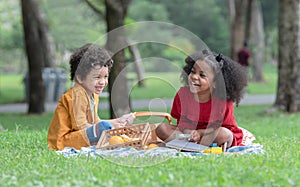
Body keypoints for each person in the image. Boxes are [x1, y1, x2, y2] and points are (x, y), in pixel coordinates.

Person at [155, 50, 252, 149]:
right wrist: (189, 132)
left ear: (215, 83)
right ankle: (192, 146)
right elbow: (181, 123)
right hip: (188, 135)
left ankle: (191, 146)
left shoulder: (224, 101)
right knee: (162, 128)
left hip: (213, 135)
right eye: (193, 72)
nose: (194, 77)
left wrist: (201, 133)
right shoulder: (182, 95)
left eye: (202, 75)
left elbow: (226, 128)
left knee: (224, 134)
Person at [48, 43, 135, 150]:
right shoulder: (77, 95)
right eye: (97, 77)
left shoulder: (93, 94)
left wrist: (118, 121)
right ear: (80, 78)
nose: (103, 82)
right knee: (104, 129)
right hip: (63, 142)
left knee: (106, 128)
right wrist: (111, 129)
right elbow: (80, 126)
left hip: (77, 137)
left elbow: (95, 121)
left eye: (105, 76)